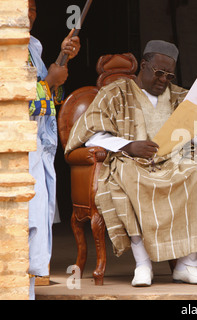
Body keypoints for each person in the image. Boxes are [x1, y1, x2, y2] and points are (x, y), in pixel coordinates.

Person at [65, 40, 197, 287]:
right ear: (143, 66)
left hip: (175, 162)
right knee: (129, 177)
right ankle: (143, 265)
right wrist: (128, 146)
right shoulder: (114, 93)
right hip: (132, 161)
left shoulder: (182, 96)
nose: (163, 80)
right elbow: (89, 133)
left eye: (169, 75)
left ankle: (188, 265)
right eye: (158, 72)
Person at [27, 0, 80, 299]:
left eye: (34, 8)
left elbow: (50, 99)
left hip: (40, 145)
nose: (30, 14)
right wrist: (49, 81)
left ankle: (29, 291)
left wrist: (64, 60)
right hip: (18, 148)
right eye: (23, 7)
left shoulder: (33, 44)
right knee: (27, 222)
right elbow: (16, 99)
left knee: (38, 223)